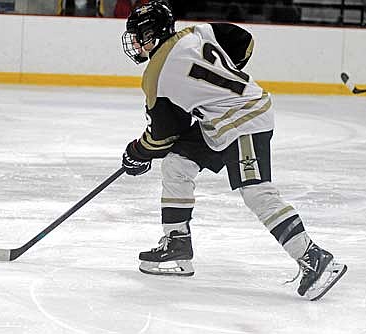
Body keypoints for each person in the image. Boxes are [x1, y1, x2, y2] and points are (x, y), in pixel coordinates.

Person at [120, 0, 347, 300]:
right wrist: (219, 84)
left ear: (153, 34)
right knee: (178, 163)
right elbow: (244, 42)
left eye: (139, 36)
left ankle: (314, 257)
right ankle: (177, 244)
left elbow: (162, 136)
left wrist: (137, 152)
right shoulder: (194, 33)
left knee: (256, 192)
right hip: (221, 119)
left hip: (245, 119)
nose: (136, 43)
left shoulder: (155, 76)